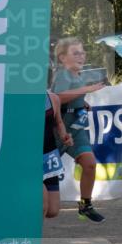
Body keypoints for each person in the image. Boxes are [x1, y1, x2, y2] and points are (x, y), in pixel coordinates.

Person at [51, 37, 106, 222]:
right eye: (75, 53)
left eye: (82, 52)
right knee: (42, 172)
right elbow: (58, 97)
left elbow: (73, 97)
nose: (81, 56)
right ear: (62, 58)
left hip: (76, 128)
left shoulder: (78, 76)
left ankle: (85, 205)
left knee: (90, 164)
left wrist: (82, 103)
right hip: (56, 128)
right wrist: (86, 89)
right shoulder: (62, 75)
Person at [43, 91, 73, 219]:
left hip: (49, 156)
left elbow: (59, 122)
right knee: (42, 206)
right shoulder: (21, 98)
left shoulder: (53, 98)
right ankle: (33, 238)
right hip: (29, 157)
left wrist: (64, 135)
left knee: (52, 210)